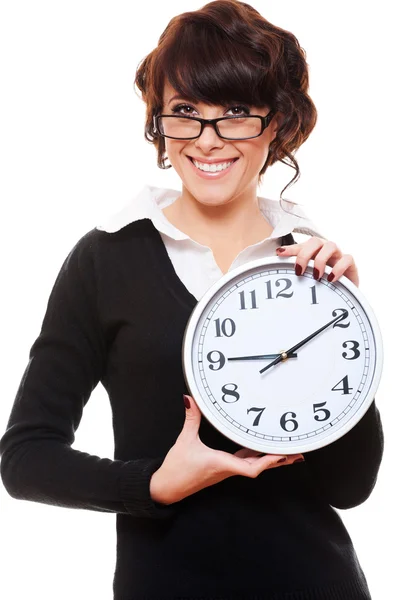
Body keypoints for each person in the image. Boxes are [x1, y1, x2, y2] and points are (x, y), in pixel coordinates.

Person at [0, 1, 383, 599]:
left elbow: (352, 486)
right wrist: (154, 485)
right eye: (184, 112)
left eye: (234, 113)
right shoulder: (105, 259)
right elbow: (25, 459)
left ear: (276, 122)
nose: (207, 140)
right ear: (158, 121)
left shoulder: (310, 266)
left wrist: (347, 329)